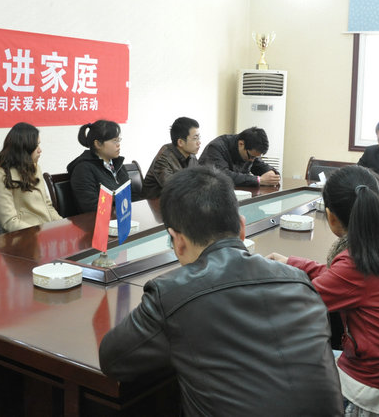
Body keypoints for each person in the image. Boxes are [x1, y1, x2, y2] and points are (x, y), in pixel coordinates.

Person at [99, 166, 343, 416]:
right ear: (242, 228)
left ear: (177, 240)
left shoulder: (171, 292)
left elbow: (113, 360)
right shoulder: (300, 282)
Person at [269, 165, 379, 417]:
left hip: (371, 394)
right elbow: (340, 279)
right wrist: (291, 262)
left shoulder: (356, 263)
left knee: (275, 372)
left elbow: (293, 306)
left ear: (331, 217)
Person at [0, 122, 62, 231]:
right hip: (24, 236)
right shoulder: (0, 176)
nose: (40, 150)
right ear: (24, 148)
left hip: (45, 232)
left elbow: (48, 206)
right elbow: (9, 222)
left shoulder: (35, 168)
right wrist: (40, 234)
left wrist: (63, 225)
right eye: (35, 146)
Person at [66, 120, 130, 214]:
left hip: (122, 216)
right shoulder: (83, 169)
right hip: (97, 220)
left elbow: (131, 195)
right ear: (98, 144)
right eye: (114, 141)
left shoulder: (117, 163)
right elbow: (91, 207)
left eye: (118, 140)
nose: (118, 144)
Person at [198, 126, 280, 186]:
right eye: (251, 157)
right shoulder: (216, 147)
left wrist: (271, 173)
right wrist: (258, 180)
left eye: (256, 157)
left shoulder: (250, 150)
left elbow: (259, 165)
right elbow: (222, 176)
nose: (252, 160)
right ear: (241, 144)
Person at [141, 116, 200, 199]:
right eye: (195, 138)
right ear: (180, 142)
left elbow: (200, 182)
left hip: (179, 202)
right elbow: (174, 189)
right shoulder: (163, 159)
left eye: (199, 137)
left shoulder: (191, 156)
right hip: (154, 203)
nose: (199, 142)